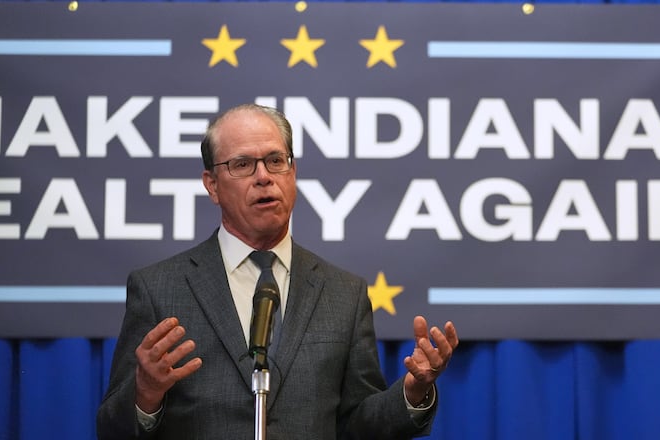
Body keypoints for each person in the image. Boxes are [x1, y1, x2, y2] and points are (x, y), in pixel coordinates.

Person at [96, 103, 459, 439]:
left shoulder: (343, 293)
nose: (263, 177)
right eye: (242, 165)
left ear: (293, 171)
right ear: (212, 185)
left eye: (275, 160)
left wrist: (413, 392)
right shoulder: (160, 288)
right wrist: (146, 394)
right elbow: (111, 429)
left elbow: (357, 425)